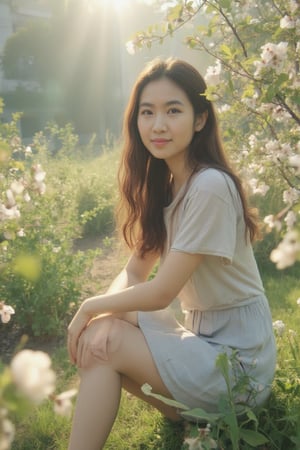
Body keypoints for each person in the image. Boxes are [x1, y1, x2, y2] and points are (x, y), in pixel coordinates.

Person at [67, 57, 276, 450]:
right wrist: (103, 316)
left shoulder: (210, 185)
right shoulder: (167, 188)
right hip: (205, 348)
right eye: (147, 112)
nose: (158, 125)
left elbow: (161, 292)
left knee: (105, 339)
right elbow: (134, 272)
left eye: (172, 111)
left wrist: (90, 308)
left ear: (200, 119)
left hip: (240, 368)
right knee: (103, 337)